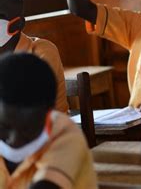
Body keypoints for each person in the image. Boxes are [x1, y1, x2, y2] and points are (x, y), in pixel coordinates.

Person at [0, 53, 97, 188]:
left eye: (28, 129)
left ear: (49, 115)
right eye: (4, 127)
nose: (15, 140)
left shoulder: (66, 135)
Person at [0, 0, 68, 112]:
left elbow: (29, 105)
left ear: (19, 24)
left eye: (1, 16)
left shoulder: (42, 51)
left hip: (49, 129)